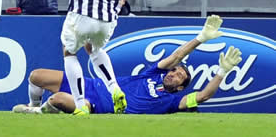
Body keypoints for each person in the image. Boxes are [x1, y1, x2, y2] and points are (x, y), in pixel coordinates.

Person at [12, 15, 243, 115]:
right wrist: (200, 38)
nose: (174, 73)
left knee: (58, 99)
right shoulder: (153, 74)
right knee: (36, 76)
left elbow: (203, 96)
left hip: (96, 104)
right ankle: (34, 104)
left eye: (180, 75)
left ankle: (35, 112)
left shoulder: (174, 101)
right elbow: (175, 57)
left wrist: (222, 71)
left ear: (182, 87)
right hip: (92, 85)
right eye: (175, 70)